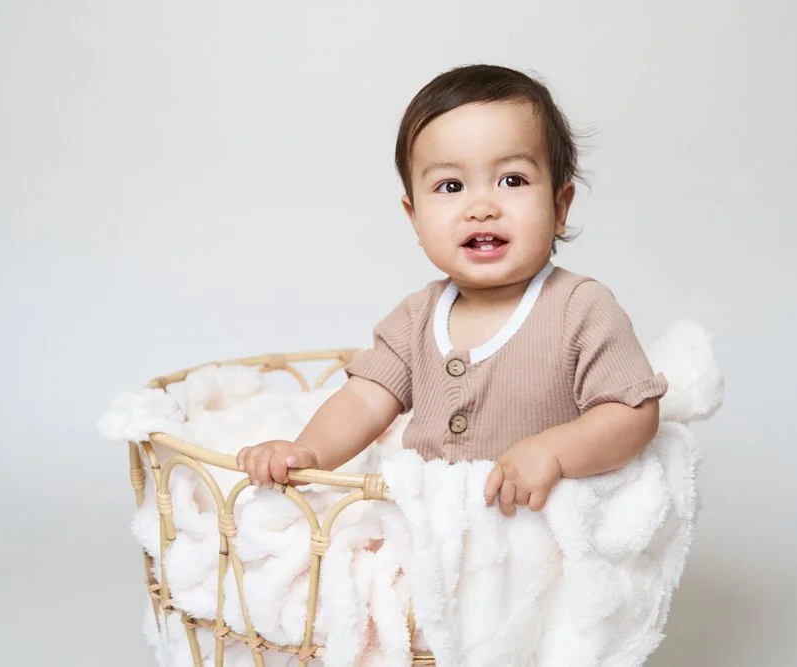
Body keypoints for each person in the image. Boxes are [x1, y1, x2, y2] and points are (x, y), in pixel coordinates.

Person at [237, 64, 667, 517]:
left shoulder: (580, 308)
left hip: (531, 529)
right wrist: (307, 451)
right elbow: (362, 400)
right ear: (415, 218)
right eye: (451, 186)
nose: (481, 208)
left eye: (512, 180)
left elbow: (632, 413)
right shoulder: (416, 318)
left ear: (559, 207)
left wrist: (554, 452)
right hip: (432, 529)